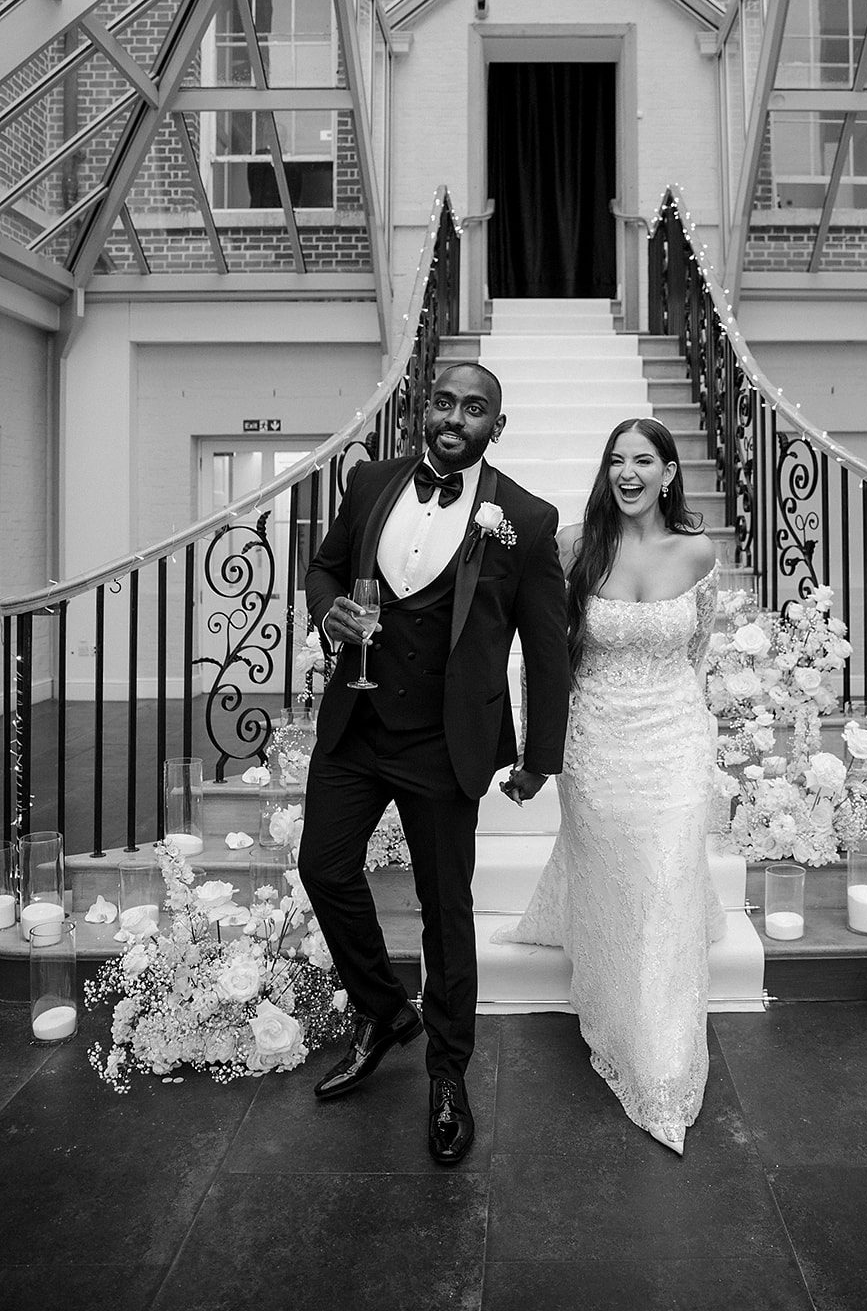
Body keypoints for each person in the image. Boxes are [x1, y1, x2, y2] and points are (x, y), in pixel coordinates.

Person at [300, 362, 570, 1166]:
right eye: (446, 402)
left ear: (496, 425)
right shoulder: (373, 481)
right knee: (323, 867)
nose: (456, 416)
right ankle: (384, 1010)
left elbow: (546, 650)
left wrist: (540, 757)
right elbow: (323, 566)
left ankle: (447, 1076)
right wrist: (327, 611)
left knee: (445, 911)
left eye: (474, 408)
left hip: (444, 743)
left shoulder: (523, 515)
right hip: (357, 719)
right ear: (426, 409)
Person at [496, 416, 726, 1155]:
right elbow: (545, 657)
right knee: (616, 882)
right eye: (615, 460)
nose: (627, 472)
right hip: (596, 739)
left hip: (673, 738)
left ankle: (659, 1067)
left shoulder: (697, 552)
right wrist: (541, 751)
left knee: (662, 883)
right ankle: (610, 994)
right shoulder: (572, 547)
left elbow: (696, 650)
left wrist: (688, 728)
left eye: (642, 460)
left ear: (667, 472)